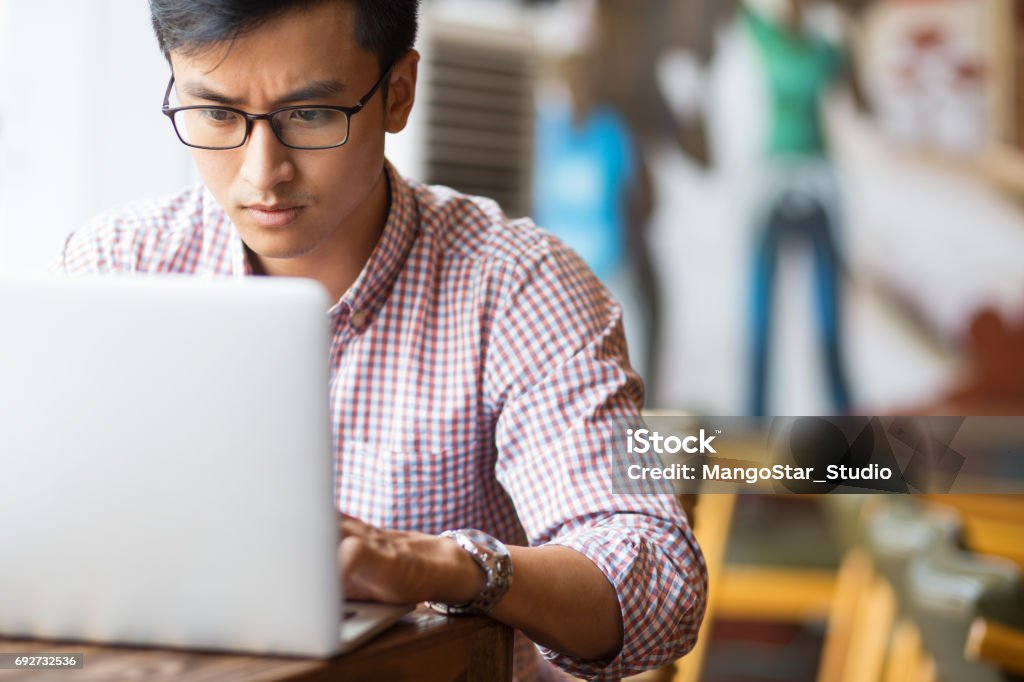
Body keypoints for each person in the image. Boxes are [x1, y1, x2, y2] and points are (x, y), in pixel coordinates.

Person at [56, 1, 706, 680]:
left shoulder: (517, 289)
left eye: (309, 115)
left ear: (398, 92)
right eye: (217, 114)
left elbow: (659, 584)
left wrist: (444, 567)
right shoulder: (117, 262)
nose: (260, 173)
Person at [742, 0, 855, 416]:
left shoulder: (826, 50)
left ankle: (845, 416)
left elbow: (856, 92)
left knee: (828, 316)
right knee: (759, 315)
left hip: (818, 182)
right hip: (773, 182)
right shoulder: (764, 36)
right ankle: (752, 420)